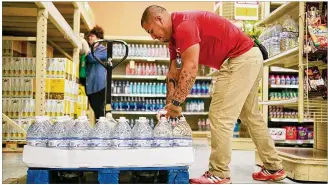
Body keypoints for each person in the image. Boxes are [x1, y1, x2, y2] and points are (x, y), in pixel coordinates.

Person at [141, 5, 286, 184]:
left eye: (151, 31)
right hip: (249, 56)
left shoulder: (184, 25)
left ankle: (219, 173)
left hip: (239, 58)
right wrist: (169, 105)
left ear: (159, 19)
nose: (152, 37)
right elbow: (174, 72)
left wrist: (177, 105)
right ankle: (274, 167)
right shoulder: (173, 40)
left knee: (219, 115)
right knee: (250, 115)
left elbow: (191, 68)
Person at [80, 25, 107, 120]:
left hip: (98, 87)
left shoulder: (103, 50)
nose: (90, 38)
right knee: (96, 111)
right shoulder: (91, 50)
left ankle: (102, 131)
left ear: (99, 38)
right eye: (89, 36)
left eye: (92, 36)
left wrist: (86, 49)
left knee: (99, 112)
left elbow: (92, 58)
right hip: (90, 87)